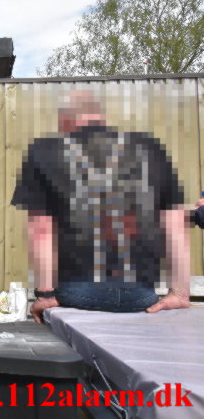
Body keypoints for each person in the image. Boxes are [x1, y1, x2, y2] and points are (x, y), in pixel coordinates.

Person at [11, 90, 191, 323]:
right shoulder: (151, 149)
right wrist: (180, 293)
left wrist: (45, 295)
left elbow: (41, 229)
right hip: (139, 296)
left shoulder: (45, 151)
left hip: (76, 294)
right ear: (101, 118)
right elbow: (176, 223)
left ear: (64, 120)